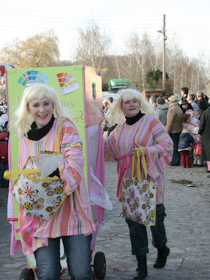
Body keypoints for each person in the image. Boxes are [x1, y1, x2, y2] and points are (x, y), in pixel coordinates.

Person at [10, 83, 95, 279]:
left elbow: (75, 162)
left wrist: (52, 177)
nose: (42, 110)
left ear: (53, 105)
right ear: (28, 108)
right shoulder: (24, 137)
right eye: (36, 105)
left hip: (72, 213)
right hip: (40, 217)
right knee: (48, 274)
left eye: (46, 104)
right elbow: (23, 174)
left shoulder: (65, 126)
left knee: (81, 273)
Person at [105, 89, 173, 280]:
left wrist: (148, 151)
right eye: (127, 102)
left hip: (151, 180)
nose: (132, 105)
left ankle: (162, 248)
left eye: (135, 101)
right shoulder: (118, 130)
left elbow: (167, 146)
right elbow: (107, 152)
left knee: (156, 220)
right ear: (121, 106)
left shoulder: (152, 122)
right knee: (135, 224)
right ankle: (141, 266)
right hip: (130, 183)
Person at [166, 95, 183, 166]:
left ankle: (175, 161)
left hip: (173, 130)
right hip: (178, 129)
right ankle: (177, 160)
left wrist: (167, 131)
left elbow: (170, 121)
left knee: (174, 146)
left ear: (171, 101)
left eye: (169, 101)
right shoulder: (178, 107)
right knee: (176, 146)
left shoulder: (172, 109)